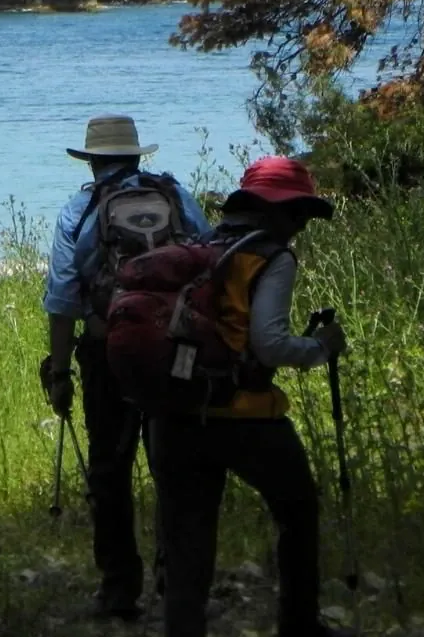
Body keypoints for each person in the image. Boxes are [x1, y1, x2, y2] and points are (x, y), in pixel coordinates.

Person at [144, 156, 349, 637]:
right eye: (299, 214)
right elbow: (269, 343)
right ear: (280, 212)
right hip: (244, 417)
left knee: (186, 539)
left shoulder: (199, 244)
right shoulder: (271, 257)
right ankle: (299, 625)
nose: (300, 227)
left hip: (175, 411)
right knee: (297, 511)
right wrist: (320, 347)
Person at [40, 114, 213, 622]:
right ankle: (174, 580)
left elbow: (63, 297)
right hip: (177, 351)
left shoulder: (79, 210)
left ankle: (118, 588)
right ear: (138, 157)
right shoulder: (178, 198)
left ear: (92, 161)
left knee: (110, 468)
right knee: (174, 466)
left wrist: (59, 370)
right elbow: (210, 263)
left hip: (109, 351)